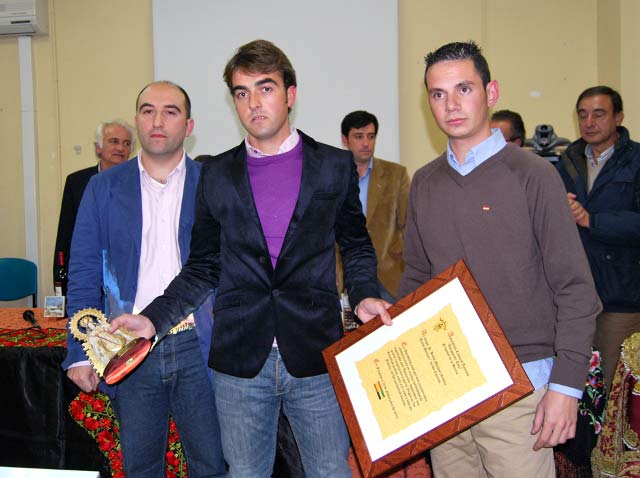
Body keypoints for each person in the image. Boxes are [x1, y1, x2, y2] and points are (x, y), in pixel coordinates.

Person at [110, 39, 392, 478]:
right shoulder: (215, 174)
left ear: (290, 95)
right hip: (240, 362)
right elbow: (204, 265)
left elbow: (354, 243)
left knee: (328, 472)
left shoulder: (333, 166)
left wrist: (365, 294)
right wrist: (152, 320)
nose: (254, 103)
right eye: (242, 93)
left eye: (265, 88)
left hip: (315, 352)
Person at [398, 41, 601, 477]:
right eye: (437, 94)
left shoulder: (535, 175)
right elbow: (417, 276)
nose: (450, 104)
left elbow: (575, 289)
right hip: (449, 387)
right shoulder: (424, 182)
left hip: (520, 386)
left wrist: (566, 387)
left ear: (490, 93)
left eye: (464, 89)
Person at [62, 81, 227, 478]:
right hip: (127, 347)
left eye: (170, 111)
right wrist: (80, 350)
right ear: (137, 120)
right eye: (148, 110)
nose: (157, 120)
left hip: (200, 345)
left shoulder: (215, 183)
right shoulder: (102, 188)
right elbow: (84, 270)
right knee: (140, 468)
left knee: (212, 465)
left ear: (189, 126)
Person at [556, 85, 640, 389]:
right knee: (576, 389)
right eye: (583, 114)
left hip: (622, 296)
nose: (589, 122)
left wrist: (591, 220)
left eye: (599, 114)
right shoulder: (566, 162)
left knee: (617, 391)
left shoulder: (637, 160)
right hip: (576, 295)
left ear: (618, 117)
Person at [53, 120, 134, 285]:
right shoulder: (76, 182)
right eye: (114, 141)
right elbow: (65, 234)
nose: (121, 148)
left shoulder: (139, 183)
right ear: (98, 147)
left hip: (127, 278)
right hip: (88, 275)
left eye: (126, 143)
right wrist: (61, 277)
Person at [339, 110, 410, 300]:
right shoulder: (333, 175)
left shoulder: (396, 174)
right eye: (359, 136)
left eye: (371, 137)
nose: (366, 143)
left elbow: (409, 226)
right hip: (344, 276)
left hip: (388, 275)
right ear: (345, 140)